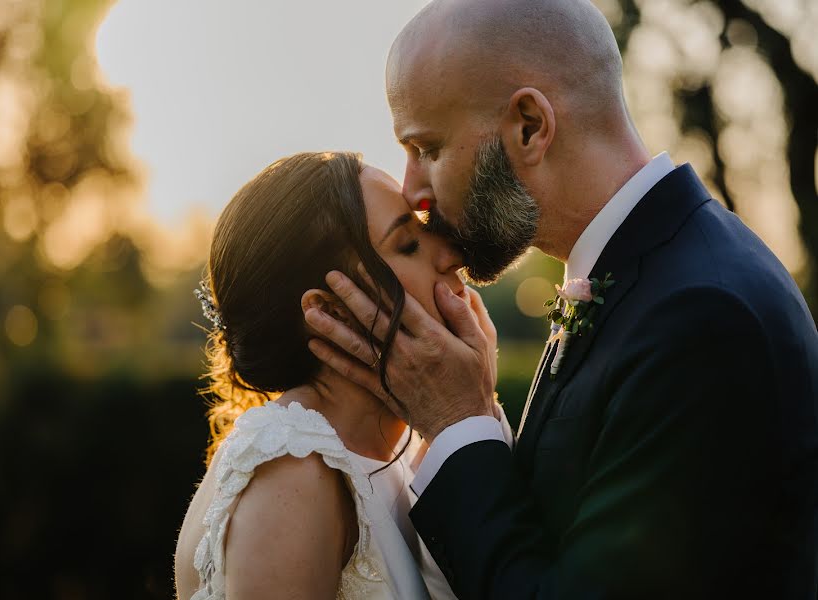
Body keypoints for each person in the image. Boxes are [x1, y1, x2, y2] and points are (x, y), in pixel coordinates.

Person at [305, 0, 818, 598]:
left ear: (529, 125)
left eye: (428, 148)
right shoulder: (646, 274)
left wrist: (454, 423)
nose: (414, 188)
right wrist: (475, 412)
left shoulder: (703, 317)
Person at [174, 151, 506, 599]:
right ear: (330, 311)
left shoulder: (410, 452)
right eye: (408, 244)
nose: (452, 255)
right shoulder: (293, 474)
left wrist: (473, 413)